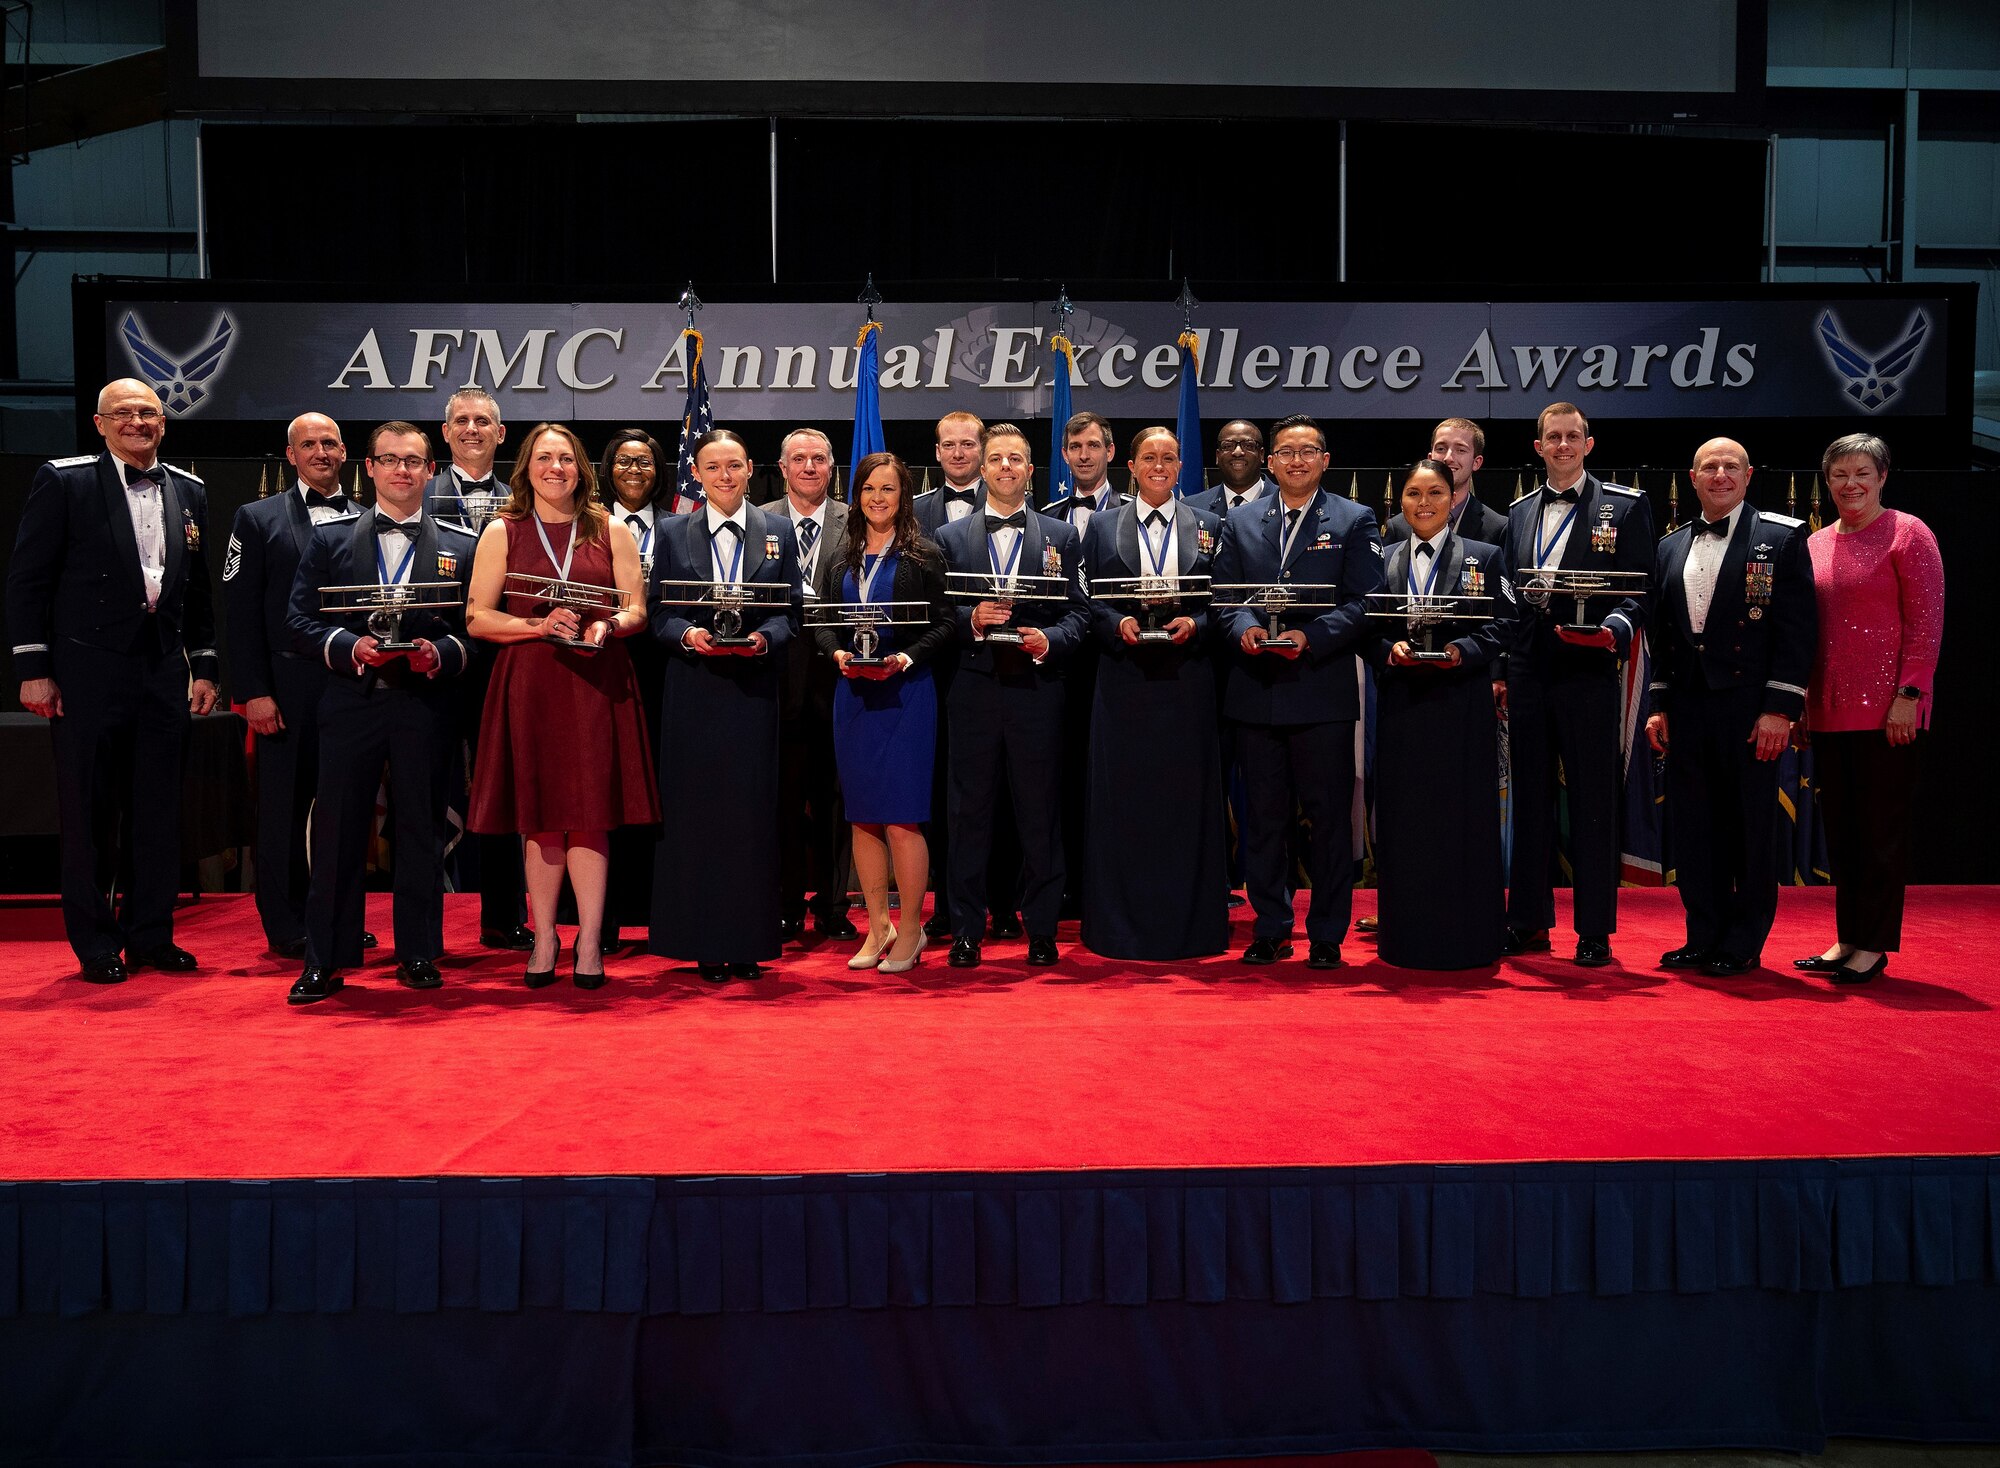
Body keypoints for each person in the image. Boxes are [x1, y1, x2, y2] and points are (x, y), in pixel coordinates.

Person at [7, 378, 220, 985]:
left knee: (158, 812)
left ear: (164, 422)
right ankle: (96, 942)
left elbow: (198, 591)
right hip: (85, 672)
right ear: (99, 424)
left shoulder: (191, 489)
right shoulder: (65, 479)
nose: (137, 422)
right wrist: (34, 669)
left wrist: (203, 664)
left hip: (160, 672)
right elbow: (28, 581)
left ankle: (151, 937)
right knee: (90, 812)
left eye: (148, 412)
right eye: (122, 413)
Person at [284, 422, 479, 1004]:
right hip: (353, 701)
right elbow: (297, 623)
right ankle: (327, 959)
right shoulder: (329, 540)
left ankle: (418, 952)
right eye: (390, 460)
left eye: (414, 461)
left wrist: (438, 654)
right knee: (341, 831)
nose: (402, 471)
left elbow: (476, 632)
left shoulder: (462, 545)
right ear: (367, 468)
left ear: (431, 470)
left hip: (425, 703)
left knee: (421, 829)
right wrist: (349, 648)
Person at [465, 423, 659, 989]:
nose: (557, 468)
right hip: (532, 682)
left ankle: (591, 941)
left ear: (582, 468)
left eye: (567, 459)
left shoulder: (611, 528)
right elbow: (478, 616)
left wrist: (606, 626)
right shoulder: (503, 531)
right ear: (525, 466)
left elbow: (637, 610)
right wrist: (537, 624)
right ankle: (546, 936)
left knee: (592, 818)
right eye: (544, 458)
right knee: (543, 819)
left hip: (598, 681)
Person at [1212, 413, 1384, 968]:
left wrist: (1310, 637)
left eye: (1308, 452)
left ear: (1325, 461)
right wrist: (1246, 630)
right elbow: (1224, 598)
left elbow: (1366, 604)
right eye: (1285, 452)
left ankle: (1328, 931)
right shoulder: (1238, 523)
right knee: (1263, 820)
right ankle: (1271, 926)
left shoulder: (1355, 519)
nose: (1296, 461)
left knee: (1329, 820)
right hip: (1256, 690)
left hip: (1320, 691)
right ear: (1269, 461)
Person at [1644, 438, 1816, 978]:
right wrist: (1660, 705)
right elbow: (1664, 637)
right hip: (1690, 707)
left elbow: (1797, 631)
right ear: (1692, 477)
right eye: (1709, 467)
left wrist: (1780, 710)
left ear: (1748, 476)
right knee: (1695, 828)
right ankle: (1703, 934)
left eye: (1731, 467)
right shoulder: (1670, 546)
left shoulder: (1780, 538)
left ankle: (1743, 940)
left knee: (1749, 827)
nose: (1720, 475)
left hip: (1749, 708)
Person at [1497, 402, 1653, 968]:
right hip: (1530, 668)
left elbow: (1643, 589)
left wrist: (1615, 629)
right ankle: (1529, 921)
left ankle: (1594, 931)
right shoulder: (1517, 513)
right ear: (1537, 446)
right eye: (1552, 437)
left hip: (1590, 667)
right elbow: (1509, 596)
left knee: (1592, 800)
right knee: (1530, 799)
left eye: (1573, 437)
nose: (1562, 446)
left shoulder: (1624, 506)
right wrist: (1505, 668)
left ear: (1589, 443)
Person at [648, 428, 802, 983]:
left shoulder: (778, 532)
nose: (725, 477)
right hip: (694, 691)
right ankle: (703, 942)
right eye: (713, 468)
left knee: (750, 820)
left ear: (751, 469)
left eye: (734, 466)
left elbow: (792, 613)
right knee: (697, 819)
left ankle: (748, 942)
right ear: (697, 474)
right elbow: (657, 614)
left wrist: (767, 640)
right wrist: (689, 636)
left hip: (753, 692)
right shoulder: (670, 532)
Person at [934, 422, 1088, 968]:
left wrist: (1050, 640)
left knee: (1039, 813)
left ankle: (1041, 929)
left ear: (1030, 469)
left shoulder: (1063, 537)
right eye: (994, 458)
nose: (1003, 467)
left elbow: (1081, 615)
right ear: (982, 466)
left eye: (1014, 459)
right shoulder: (950, 539)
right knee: (968, 814)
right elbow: (934, 617)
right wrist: (969, 619)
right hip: (973, 691)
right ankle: (965, 930)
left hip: (1036, 692)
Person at [1795, 433, 1943, 985]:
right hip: (1829, 712)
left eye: (1861, 473)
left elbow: (1926, 625)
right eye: (1839, 475)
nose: (1850, 484)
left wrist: (1910, 696)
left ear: (1883, 476)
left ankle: (1874, 946)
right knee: (1844, 833)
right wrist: (1805, 706)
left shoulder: (1909, 534)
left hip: (1889, 713)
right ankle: (1848, 937)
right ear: (1827, 482)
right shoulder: (1815, 543)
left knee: (1881, 833)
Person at [1077, 427, 1229, 960]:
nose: (1159, 465)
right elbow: (1086, 600)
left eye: (1168, 457)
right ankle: (1119, 928)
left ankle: (1191, 927)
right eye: (1149, 457)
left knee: (1185, 805)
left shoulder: (1211, 526)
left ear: (1180, 465)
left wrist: (1199, 622)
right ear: (1133, 466)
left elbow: (1224, 603)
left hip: (1186, 683)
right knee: (1123, 805)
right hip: (1124, 684)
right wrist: (1115, 623)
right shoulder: (1099, 526)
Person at [222, 411, 367, 959]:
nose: (321, 453)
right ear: (291, 455)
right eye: (309, 444)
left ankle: (335, 918)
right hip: (283, 685)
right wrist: (253, 690)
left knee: (345, 806)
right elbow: (239, 613)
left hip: (350, 682)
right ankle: (283, 923)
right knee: (283, 809)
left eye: (330, 443)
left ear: (345, 451)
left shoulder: (368, 517)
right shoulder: (256, 519)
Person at [812, 452, 955, 973]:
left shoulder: (924, 556)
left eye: (888, 490)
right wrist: (838, 655)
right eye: (869, 489)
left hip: (907, 694)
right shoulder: (841, 558)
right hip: (853, 696)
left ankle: (912, 929)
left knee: (901, 817)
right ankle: (878, 926)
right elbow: (821, 624)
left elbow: (946, 625)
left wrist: (905, 657)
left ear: (904, 496)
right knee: (862, 816)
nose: (877, 498)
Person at [1366, 459, 1509, 970]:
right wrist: (1388, 647)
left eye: (1434, 493)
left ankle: (1469, 938)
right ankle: (1405, 938)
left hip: (1461, 703)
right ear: (1400, 502)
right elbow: (1363, 625)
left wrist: (1463, 651)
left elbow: (1506, 624)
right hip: (1403, 703)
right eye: (1412, 494)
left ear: (1454, 499)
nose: (1423, 503)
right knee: (1406, 820)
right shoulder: (1380, 558)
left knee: (1463, 819)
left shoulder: (1486, 556)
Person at [420, 385, 532, 953]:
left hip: (505, 664)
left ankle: (504, 918)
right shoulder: (418, 492)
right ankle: (422, 932)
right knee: (426, 793)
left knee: (504, 795)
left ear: (501, 432)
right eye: (461, 421)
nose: (472, 430)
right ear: (445, 432)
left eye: (483, 421)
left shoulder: (526, 498)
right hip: (433, 665)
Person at [761, 428, 856, 942]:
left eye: (819, 458)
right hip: (774, 680)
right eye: (799, 458)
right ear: (782, 467)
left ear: (832, 467)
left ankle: (834, 905)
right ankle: (786, 904)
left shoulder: (855, 521)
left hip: (839, 680)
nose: (809, 467)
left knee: (836, 801)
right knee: (783, 800)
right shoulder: (760, 520)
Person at [1043, 410, 1129, 919]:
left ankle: (1108, 881)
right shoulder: (1047, 515)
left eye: (1093, 445)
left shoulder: (1137, 511)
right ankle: (1067, 883)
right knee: (1062, 778)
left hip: (1117, 660)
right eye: (1075, 446)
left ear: (1111, 453)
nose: (1083, 455)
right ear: (1064, 454)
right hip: (1059, 665)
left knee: (1110, 778)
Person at [598, 429, 671, 952]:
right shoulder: (587, 528)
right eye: (624, 461)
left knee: (659, 790)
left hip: (665, 671)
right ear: (607, 468)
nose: (634, 471)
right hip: (603, 668)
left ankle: (658, 909)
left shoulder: (680, 527)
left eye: (644, 462)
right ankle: (604, 914)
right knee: (606, 788)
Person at [1383, 418, 1508, 546]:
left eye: (1460, 450)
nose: (1448, 458)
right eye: (1441, 449)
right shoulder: (1398, 527)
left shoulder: (1497, 528)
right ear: (1430, 458)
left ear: (1477, 462)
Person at [913, 410, 987, 537]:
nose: (958, 454)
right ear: (938, 452)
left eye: (967, 444)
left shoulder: (1004, 504)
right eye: (949, 445)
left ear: (983, 449)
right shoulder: (915, 509)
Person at [1189, 419, 1272, 516]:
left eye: (1248, 445)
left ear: (1261, 455)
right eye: (1228, 446)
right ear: (1217, 456)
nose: (1237, 452)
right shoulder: (1192, 508)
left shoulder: (1286, 502)